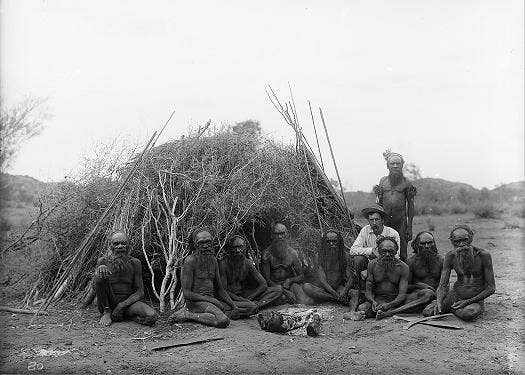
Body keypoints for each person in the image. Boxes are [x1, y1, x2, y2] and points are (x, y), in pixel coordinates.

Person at [168, 228, 242, 328]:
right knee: (223, 321)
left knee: (249, 307)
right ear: (195, 244)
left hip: (210, 301)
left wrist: (233, 305)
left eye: (208, 242)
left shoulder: (213, 260)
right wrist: (213, 301)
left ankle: (214, 314)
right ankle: (189, 314)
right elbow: (187, 293)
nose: (206, 246)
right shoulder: (190, 261)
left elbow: (220, 289)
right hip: (196, 303)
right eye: (201, 243)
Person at [371, 231, 443, 319]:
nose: (427, 246)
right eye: (423, 244)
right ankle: (392, 312)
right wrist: (419, 285)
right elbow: (405, 287)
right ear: (417, 245)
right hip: (419, 297)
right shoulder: (411, 262)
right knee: (428, 294)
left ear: (434, 244)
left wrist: (439, 298)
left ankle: (392, 311)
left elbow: (445, 284)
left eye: (430, 243)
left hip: (439, 295)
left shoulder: (441, 260)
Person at [92, 230, 158, 327]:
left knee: (152, 316)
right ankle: (107, 313)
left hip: (127, 304)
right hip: (108, 303)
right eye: (116, 244)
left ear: (128, 245)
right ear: (110, 246)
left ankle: (126, 316)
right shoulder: (103, 261)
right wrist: (100, 270)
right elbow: (96, 287)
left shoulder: (135, 263)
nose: (120, 246)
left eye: (123, 243)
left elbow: (140, 292)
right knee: (99, 275)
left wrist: (121, 306)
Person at [431, 224, 495, 321]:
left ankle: (452, 309)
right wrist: (439, 301)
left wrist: (467, 302)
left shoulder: (483, 255)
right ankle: (454, 308)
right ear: (452, 241)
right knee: (429, 312)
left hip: (475, 298)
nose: (461, 244)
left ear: (471, 238)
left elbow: (491, 288)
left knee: (468, 313)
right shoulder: (450, 256)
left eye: (464, 240)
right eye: (457, 242)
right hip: (456, 295)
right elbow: (443, 285)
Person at [300, 230, 362, 320]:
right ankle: (337, 300)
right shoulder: (319, 257)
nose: (331, 244)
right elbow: (322, 280)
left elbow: (351, 278)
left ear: (339, 242)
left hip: (339, 288)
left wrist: (344, 291)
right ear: (324, 243)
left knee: (355, 292)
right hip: (324, 290)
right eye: (328, 242)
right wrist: (336, 296)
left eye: (334, 241)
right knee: (306, 287)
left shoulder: (345, 256)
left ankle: (352, 311)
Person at [219, 235, 283, 311]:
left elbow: (263, 284)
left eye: (240, 247)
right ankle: (250, 307)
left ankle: (255, 306)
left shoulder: (248, 263)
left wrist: (249, 298)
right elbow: (224, 290)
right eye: (234, 247)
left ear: (245, 248)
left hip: (245, 295)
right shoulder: (223, 264)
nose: (238, 250)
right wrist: (240, 300)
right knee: (227, 304)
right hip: (231, 298)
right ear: (230, 249)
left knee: (278, 289)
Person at [375, 150, 416, 261]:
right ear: (388, 166)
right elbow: (378, 203)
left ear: (402, 165)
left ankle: (405, 277)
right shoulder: (382, 181)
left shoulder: (407, 183)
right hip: (385, 221)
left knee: (402, 254)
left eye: (398, 163)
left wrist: (409, 227)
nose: (395, 166)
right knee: (384, 250)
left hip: (401, 222)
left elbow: (411, 206)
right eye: (392, 164)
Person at [357, 236, 409, 319]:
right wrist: (372, 301)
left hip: (396, 301)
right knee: (362, 308)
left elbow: (402, 295)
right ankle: (387, 312)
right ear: (378, 251)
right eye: (384, 251)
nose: (387, 254)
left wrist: (389, 305)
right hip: (379, 300)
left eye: (390, 251)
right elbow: (368, 290)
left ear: (396, 251)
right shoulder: (372, 265)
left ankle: (389, 311)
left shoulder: (403, 267)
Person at [349, 204, 400, 285]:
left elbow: (396, 257)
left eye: (377, 219)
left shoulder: (392, 233)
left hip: (388, 266)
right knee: (358, 259)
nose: (374, 223)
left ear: (382, 220)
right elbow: (353, 250)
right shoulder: (365, 230)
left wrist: (369, 270)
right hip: (370, 264)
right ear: (368, 221)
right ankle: (361, 288)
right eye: (371, 220)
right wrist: (371, 251)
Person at [261, 222, 305, 303]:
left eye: (282, 233)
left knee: (303, 299)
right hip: (274, 287)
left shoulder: (292, 253)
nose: (280, 237)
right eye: (277, 234)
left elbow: (301, 276)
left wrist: (290, 280)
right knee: (282, 297)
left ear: (286, 234)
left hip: (289, 285)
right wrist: (284, 291)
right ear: (272, 235)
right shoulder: (267, 254)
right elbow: (266, 280)